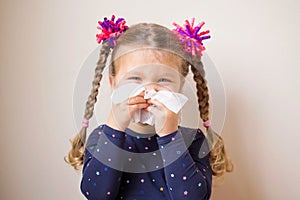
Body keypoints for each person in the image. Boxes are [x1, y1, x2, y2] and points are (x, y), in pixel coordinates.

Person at [65, 15, 233, 200]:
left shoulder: (193, 141)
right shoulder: (102, 137)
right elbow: (96, 195)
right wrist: (115, 126)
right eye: (135, 78)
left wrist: (169, 135)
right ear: (113, 83)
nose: (149, 89)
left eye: (163, 80)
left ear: (179, 85)